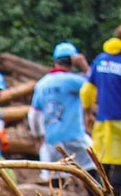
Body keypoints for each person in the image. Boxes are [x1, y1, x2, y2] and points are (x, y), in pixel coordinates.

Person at [83, 24, 121, 196]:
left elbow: (87, 90)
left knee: (103, 158)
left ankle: (97, 195)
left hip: (103, 118)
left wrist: (87, 109)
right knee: (120, 160)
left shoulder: (100, 59)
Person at [28, 42, 96, 186]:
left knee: (54, 175)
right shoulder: (73, 80)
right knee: (92, 167)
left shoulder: (42, 84)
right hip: (74, 135)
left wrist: (37, 135)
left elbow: (33, 114)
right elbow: (94, 85)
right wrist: (84, 66)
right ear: (73, 61)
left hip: (51, 139)